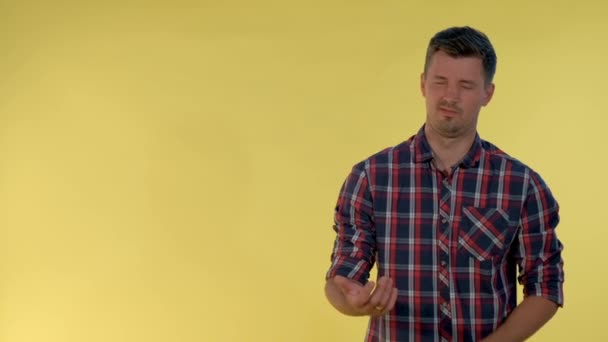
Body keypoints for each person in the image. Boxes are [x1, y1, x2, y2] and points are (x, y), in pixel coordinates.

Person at [324, 26, 564, 342]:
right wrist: (352, 302)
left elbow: (545, 285)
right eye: (440, 82)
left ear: (487, 93)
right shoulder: (370, 178)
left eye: (466, 85)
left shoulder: (522, 185)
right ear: (423, 84)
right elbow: (341, 276)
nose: (450, 96)